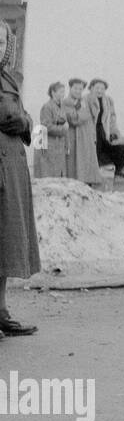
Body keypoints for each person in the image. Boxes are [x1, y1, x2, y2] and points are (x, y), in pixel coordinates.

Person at [0, 19, 41, 335]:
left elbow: (24, 119)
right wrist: (16, 118)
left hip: (11, 169)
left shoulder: (9, 79)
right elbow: (10, 116)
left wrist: (23, 120)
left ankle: (1, 312)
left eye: (2, 42)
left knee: (6, 243)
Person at [87, 79, 124, 181]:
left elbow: (112, 118)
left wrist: (114, 132)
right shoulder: (86, 100)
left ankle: (119, 169)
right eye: (97, 88)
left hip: (105, 131)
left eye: (102, 88)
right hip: (92, 131)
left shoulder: (108, 101)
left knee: (123, 148)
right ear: (91, 88)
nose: (99, 91)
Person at [63, 78, 101, 187]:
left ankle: (87, 184)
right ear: (70, 88)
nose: (78, 91)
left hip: (85, 137)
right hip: (72, 137)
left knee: (86, 162)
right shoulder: (66, 102)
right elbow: (73, 119)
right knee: (73, 164)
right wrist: (82, 114)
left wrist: (81, 114)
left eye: (80, 89)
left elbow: (92, 114)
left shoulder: (85, 101)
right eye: (75, 88)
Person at [34, 82, 69, 179]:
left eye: (63, 92)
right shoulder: (47, 107)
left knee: (59, 173)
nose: (63, 94)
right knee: (50, 173)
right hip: (49, 145)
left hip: (59, 145)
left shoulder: (62, 106)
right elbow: (46, 126)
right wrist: (62, 129)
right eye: (61, 92)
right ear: (53, 92)